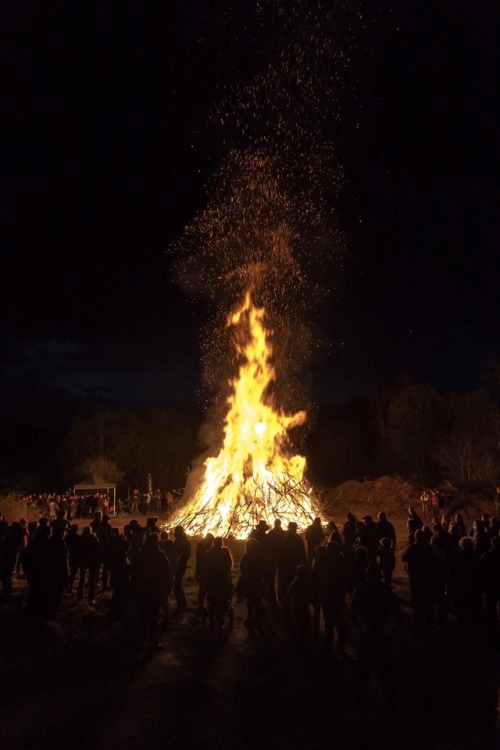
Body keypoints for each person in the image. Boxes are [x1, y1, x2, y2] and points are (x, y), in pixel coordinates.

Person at [351, 562, 400, 710]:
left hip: (367, 638)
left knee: (364, 672)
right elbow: (396, 613)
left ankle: (361, 703)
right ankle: (390, 702)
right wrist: (385, 631)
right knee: (386, 671)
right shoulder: (386, 591)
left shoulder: (359, 591)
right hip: (383, 637)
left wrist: (367, 631)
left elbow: (355, 613)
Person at [130, 532, 170, 652]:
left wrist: (135, 587)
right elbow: (167, 572)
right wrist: (165, 588)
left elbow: (135, 571)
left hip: (143, 590)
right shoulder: (161, 555)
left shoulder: (141, 554)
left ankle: (140, 643)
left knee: (143, 617)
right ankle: (152, 642)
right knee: (153, 618)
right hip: (155, 590)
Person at [402, 528, 435, 628]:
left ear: (415, 537)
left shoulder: (412, 547)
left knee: (417, 597)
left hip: (415, 576)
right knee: (427, 597)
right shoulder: (429, 547)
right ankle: (429, 618)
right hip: (427, 576)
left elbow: (404, 558)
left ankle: (418, 619)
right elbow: (435, 559)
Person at [204, 537, 233, 634]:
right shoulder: (224, 555)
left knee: (212, 602)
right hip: (221, 583)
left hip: (211, 583)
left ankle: (212, 623)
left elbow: (205, 568)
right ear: (220, 544)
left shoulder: (208, 554)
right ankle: (220, 625)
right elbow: (228, 569)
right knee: (220, 603)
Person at [277, 522, 306, 605]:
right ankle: (288, 601)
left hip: (286, 564)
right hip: (291, 564)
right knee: (290, 582)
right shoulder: (296, 538)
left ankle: (284, 600)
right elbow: (302, 552)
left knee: (284, 582)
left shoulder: (283, 537)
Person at [239, 537, 265, 626]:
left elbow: (242, 568)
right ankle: (257, 618)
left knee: (250, 601)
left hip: (249, 582)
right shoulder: (260, 556)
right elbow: (263, 569)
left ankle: (250, 617)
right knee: (257, 600)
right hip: (257, 581)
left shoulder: (246, 557)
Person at [284, 564, 311, 645]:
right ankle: (304, 639)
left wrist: (286, 603)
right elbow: (311, 592)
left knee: (298, 622)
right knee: (304, 622)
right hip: (304, 605)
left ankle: (299, 639)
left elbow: (289, 593)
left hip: (297, 605)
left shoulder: (296, 581)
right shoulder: (307, 581)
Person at [76, 526, 100, 605]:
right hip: (92, 561)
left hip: (83, 561)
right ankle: (91, 599)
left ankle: (79, 598)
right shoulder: (94, 539)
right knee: (92, 580)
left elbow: (78, 550)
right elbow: (97, 550)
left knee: (82, 579)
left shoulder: (81, 539)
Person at [195, 532, 214, 617]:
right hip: (207, 572)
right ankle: (205, 607)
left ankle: (201, 607)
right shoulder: (208, 549)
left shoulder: (200, 546)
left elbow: (198, 560)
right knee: (206, 590)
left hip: (204, 571)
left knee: (203, 590)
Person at [173, 526, 191, 613]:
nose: (174, 533)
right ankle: (183, 604)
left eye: (175, 531)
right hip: (181, 565)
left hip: (179, 565)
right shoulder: (186, 541)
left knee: (176, 586)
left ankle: (180, 605)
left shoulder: (180, 542)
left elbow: (176, 552)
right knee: (179, 585)